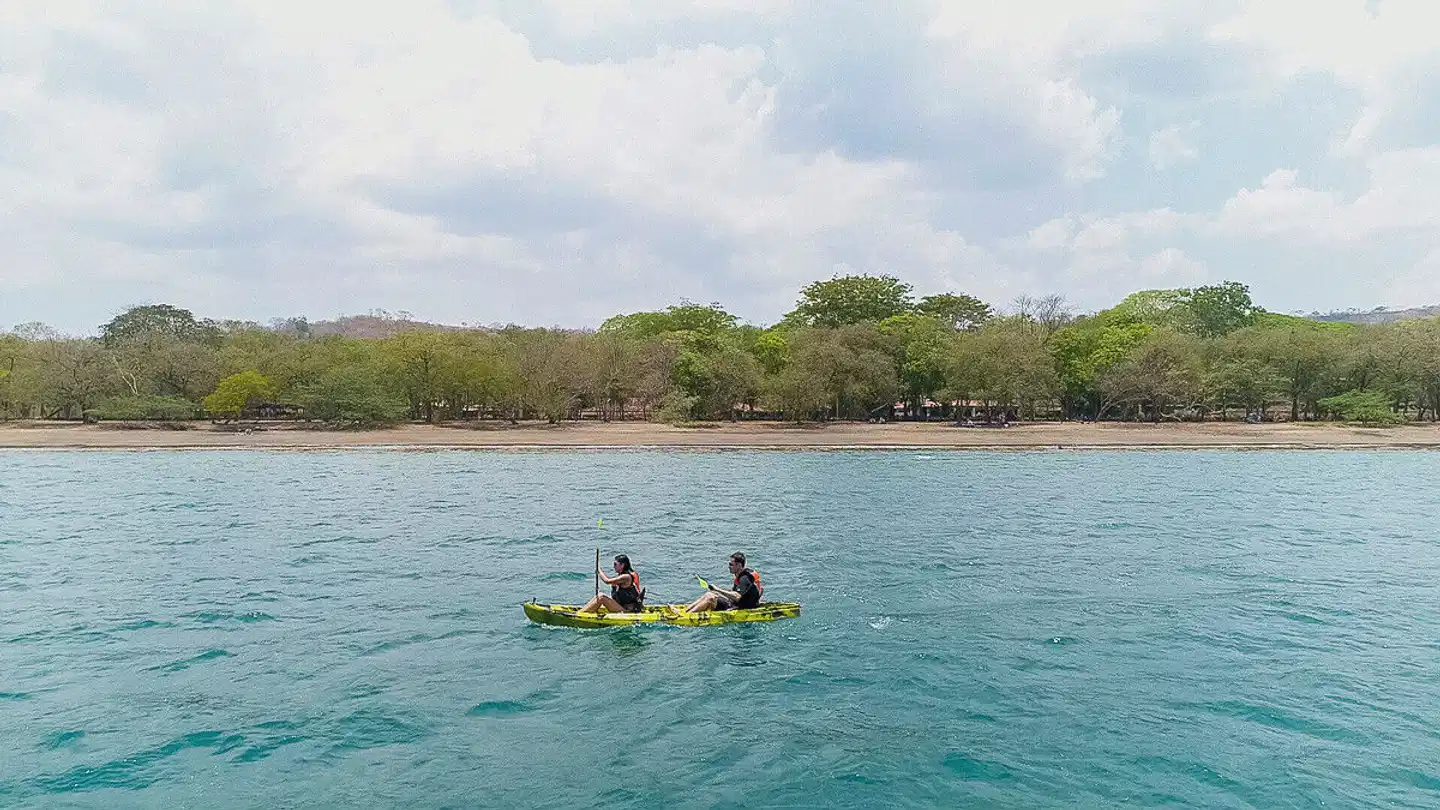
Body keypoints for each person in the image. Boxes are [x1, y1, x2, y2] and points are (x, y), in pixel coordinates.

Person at [687, 552, 763, 613]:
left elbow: (737, 597)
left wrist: (717, 589)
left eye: (731, 564)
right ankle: (687, 611)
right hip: (736, 603)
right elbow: (761, 590)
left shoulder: (744, 578)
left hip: (740, 607)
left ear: (739, 565)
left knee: (711, 598)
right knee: (709, 594)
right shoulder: (742, 574)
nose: (729, 566)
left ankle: (689, 615)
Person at [578, 554, 645, 614]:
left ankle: (579, 614)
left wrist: (599, 570)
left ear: (622, 565)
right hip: (621, 607)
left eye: (615, 564)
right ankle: (582, 611)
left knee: (602, 597)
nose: (613, 567)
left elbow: (607, 581)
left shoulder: (626, 577)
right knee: (599, 596)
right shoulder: (621, 576)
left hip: (627, 611)